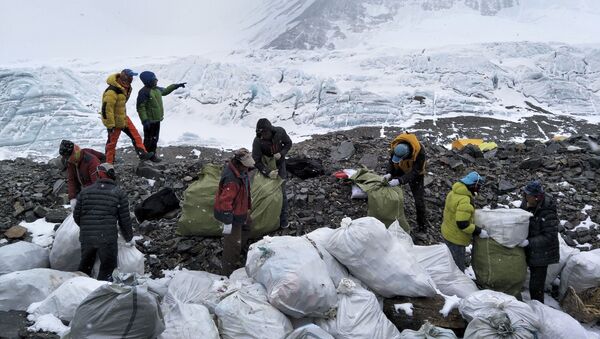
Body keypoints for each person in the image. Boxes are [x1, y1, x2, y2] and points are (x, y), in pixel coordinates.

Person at [73, 163, 134, 281]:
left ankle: (80, 291)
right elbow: (124, 220)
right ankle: (102, 294)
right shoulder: (119, 193)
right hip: (107, 239)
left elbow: (77, 216)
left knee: (85, 268)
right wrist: (129, 238)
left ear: (99, 174)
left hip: (87, 238)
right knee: (108, 271)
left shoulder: (84, 192)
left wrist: (87, 227)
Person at [213, 148, 255, 276]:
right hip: (232, 215)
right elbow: (225, 202)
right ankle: (228, 273)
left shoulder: (241, 171)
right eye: (246, 166)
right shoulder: (232, 180)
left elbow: (250, 168)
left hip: (241, 210)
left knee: (248, 227)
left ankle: (240, 247)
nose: (248, 168)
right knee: (232, 245)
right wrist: (227, 221)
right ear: (239, 164)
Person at [101, 69, 153, 164]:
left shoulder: (126, 87)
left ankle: (143, 154)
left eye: (132, 76)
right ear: (125, 77)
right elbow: (106, 109)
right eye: (130, 76)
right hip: (115, 121)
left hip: (123, 117)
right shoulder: (112, 91)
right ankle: (108, 164)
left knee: (136, 136)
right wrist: (110, 125)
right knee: (111, 143)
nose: (132, 78)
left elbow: (121, 103)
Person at [520, 180, 559, 303]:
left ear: (536, 197)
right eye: (525, 195)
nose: (525, 197)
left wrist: (528, 242)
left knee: (536, 287)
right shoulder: (528, 204)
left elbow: (550, 236)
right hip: (530, 250)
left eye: (528, 195)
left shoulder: (547, 211)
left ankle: (539, 310)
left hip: (543, 253)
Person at [441, 171, 488, 271]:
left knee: (450, 261)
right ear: (473, 185)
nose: (479, 189)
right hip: (456, 238)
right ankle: (458, 284)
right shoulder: (464, 200)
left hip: (447, 232)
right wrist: (479, 231)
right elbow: (462, 224)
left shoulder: (453, 192)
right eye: (478, 186)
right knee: (457, 268)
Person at [136, 71, 186, 162]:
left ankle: (153, 155)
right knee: (149, 139)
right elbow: (140, 107)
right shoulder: (144, 92)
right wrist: (144, 120)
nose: (156, 80)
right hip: (149, 121)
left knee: (155, 138)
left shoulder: (157, 89)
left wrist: (176, 86)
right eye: (154, 79)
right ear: (148, 81)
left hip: (157, 119)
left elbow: (166, 91)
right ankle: (145, 156)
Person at [252, 118, 292, 228]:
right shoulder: (258, 141)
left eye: (265, 133)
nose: (263, 135)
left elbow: (288, 143)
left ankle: (283, 220)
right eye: (261, 133)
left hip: (280, 165)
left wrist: (282, 153)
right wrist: (268, 172)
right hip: (266, 166)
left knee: (281, 191)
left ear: (270, 130)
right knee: (266, 191)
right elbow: (256, 160)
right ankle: (267, 219)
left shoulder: (280, 132)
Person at [383, 132, 427, 233]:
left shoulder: (420, 152)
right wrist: (389, 173)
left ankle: (422, 227)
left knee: (419, 201)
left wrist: (400, 180)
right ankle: (391, 216)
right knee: (388, 188)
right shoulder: (396, 147)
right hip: (401, 167)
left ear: (407, 154)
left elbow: (415, 172)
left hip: (416, 174)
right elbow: (392, 161)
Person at [58, 140, 105, 208]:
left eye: (68, 157)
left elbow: (97, 184)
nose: (68, 160)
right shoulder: (71, 161)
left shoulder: (91, 161)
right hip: (85, 187)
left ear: (73, 153)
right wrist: (72, 197)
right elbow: (72, 180)